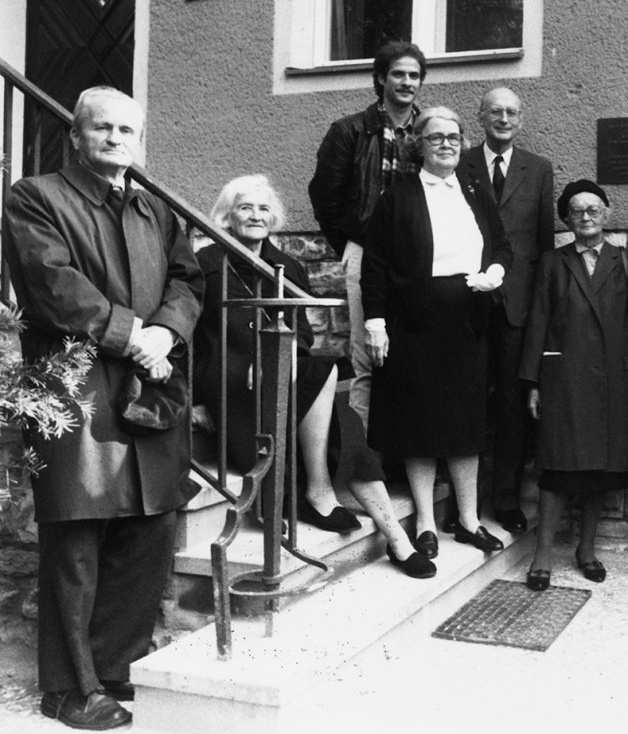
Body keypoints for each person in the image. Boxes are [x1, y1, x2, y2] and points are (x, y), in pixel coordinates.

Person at [2, 86, 203, 730]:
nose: (118, 140)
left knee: (149, 529)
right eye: (103, 129)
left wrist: (166, 332)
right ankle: (66, 690)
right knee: (79, 538)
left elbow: (187, 278)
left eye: (128, 131)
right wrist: (131, 335)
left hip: (150, 384)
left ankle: (113, 669)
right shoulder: (35, 197)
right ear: (76, 136)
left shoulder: (152, 207)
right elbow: (53, 284)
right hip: (77, 388)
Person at [192, 176, 435, 577]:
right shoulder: (204, 265)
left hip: (281, 376)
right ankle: (321, 493)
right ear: (227, 215)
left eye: (263, 208)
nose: (256, 216)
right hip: (230, 384)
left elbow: (301, 333)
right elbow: (191, 336)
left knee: (339, 410)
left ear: (275, 218)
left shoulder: (288, 265)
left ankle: (395, 536)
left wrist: (273, 358)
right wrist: (197, 398)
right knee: (329, 387)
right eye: (245, 208)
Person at [361, 106, 513, 558]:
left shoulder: (474, 190)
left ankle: (468, 521)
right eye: (435, 138)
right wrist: (375, 322)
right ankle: (426, 523)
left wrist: (496, 271)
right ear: (418, 146)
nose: (446, 144)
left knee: (466, 423)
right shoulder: (398, 196)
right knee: (420, 424)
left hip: (467, 323)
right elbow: (377, 266)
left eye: (453, 137)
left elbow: (501, 243)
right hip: (414, 326)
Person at [519, 180, 628, 590]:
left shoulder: (626, 261)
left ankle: (586, 551)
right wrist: (533, 382)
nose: (587, 217)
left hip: (615, 379)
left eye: (594, 209)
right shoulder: (553, 263)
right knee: (557, 469)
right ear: (567, 220)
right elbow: (538, 320)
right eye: (577, 211)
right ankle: (542, 556)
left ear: (607, 214)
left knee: (601, 470)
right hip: (565, 379)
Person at [308, 41, 426, 454]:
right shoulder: (349, 131)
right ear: (380, 79)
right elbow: (324, 196)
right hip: (365, 253)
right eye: (399, 74)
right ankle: (362, 465)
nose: (407, 82)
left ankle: (402, 460)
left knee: (412, 355)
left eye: (414, 75)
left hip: (418, 261)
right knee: (365, 358)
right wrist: (353, 244)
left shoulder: (428, 132)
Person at [457, 87, 555, 533]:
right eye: (494, 111)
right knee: (466, 399)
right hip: (466, 300)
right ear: (480, 117)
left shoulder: (538, 169)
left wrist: (541, 305)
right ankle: (464, 503)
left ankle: (506, 499)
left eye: (511, 112)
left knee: (514, 407)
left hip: (517, 306)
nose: (503, 118)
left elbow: (543, 243)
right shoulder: (459, 164)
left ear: (521, 119)